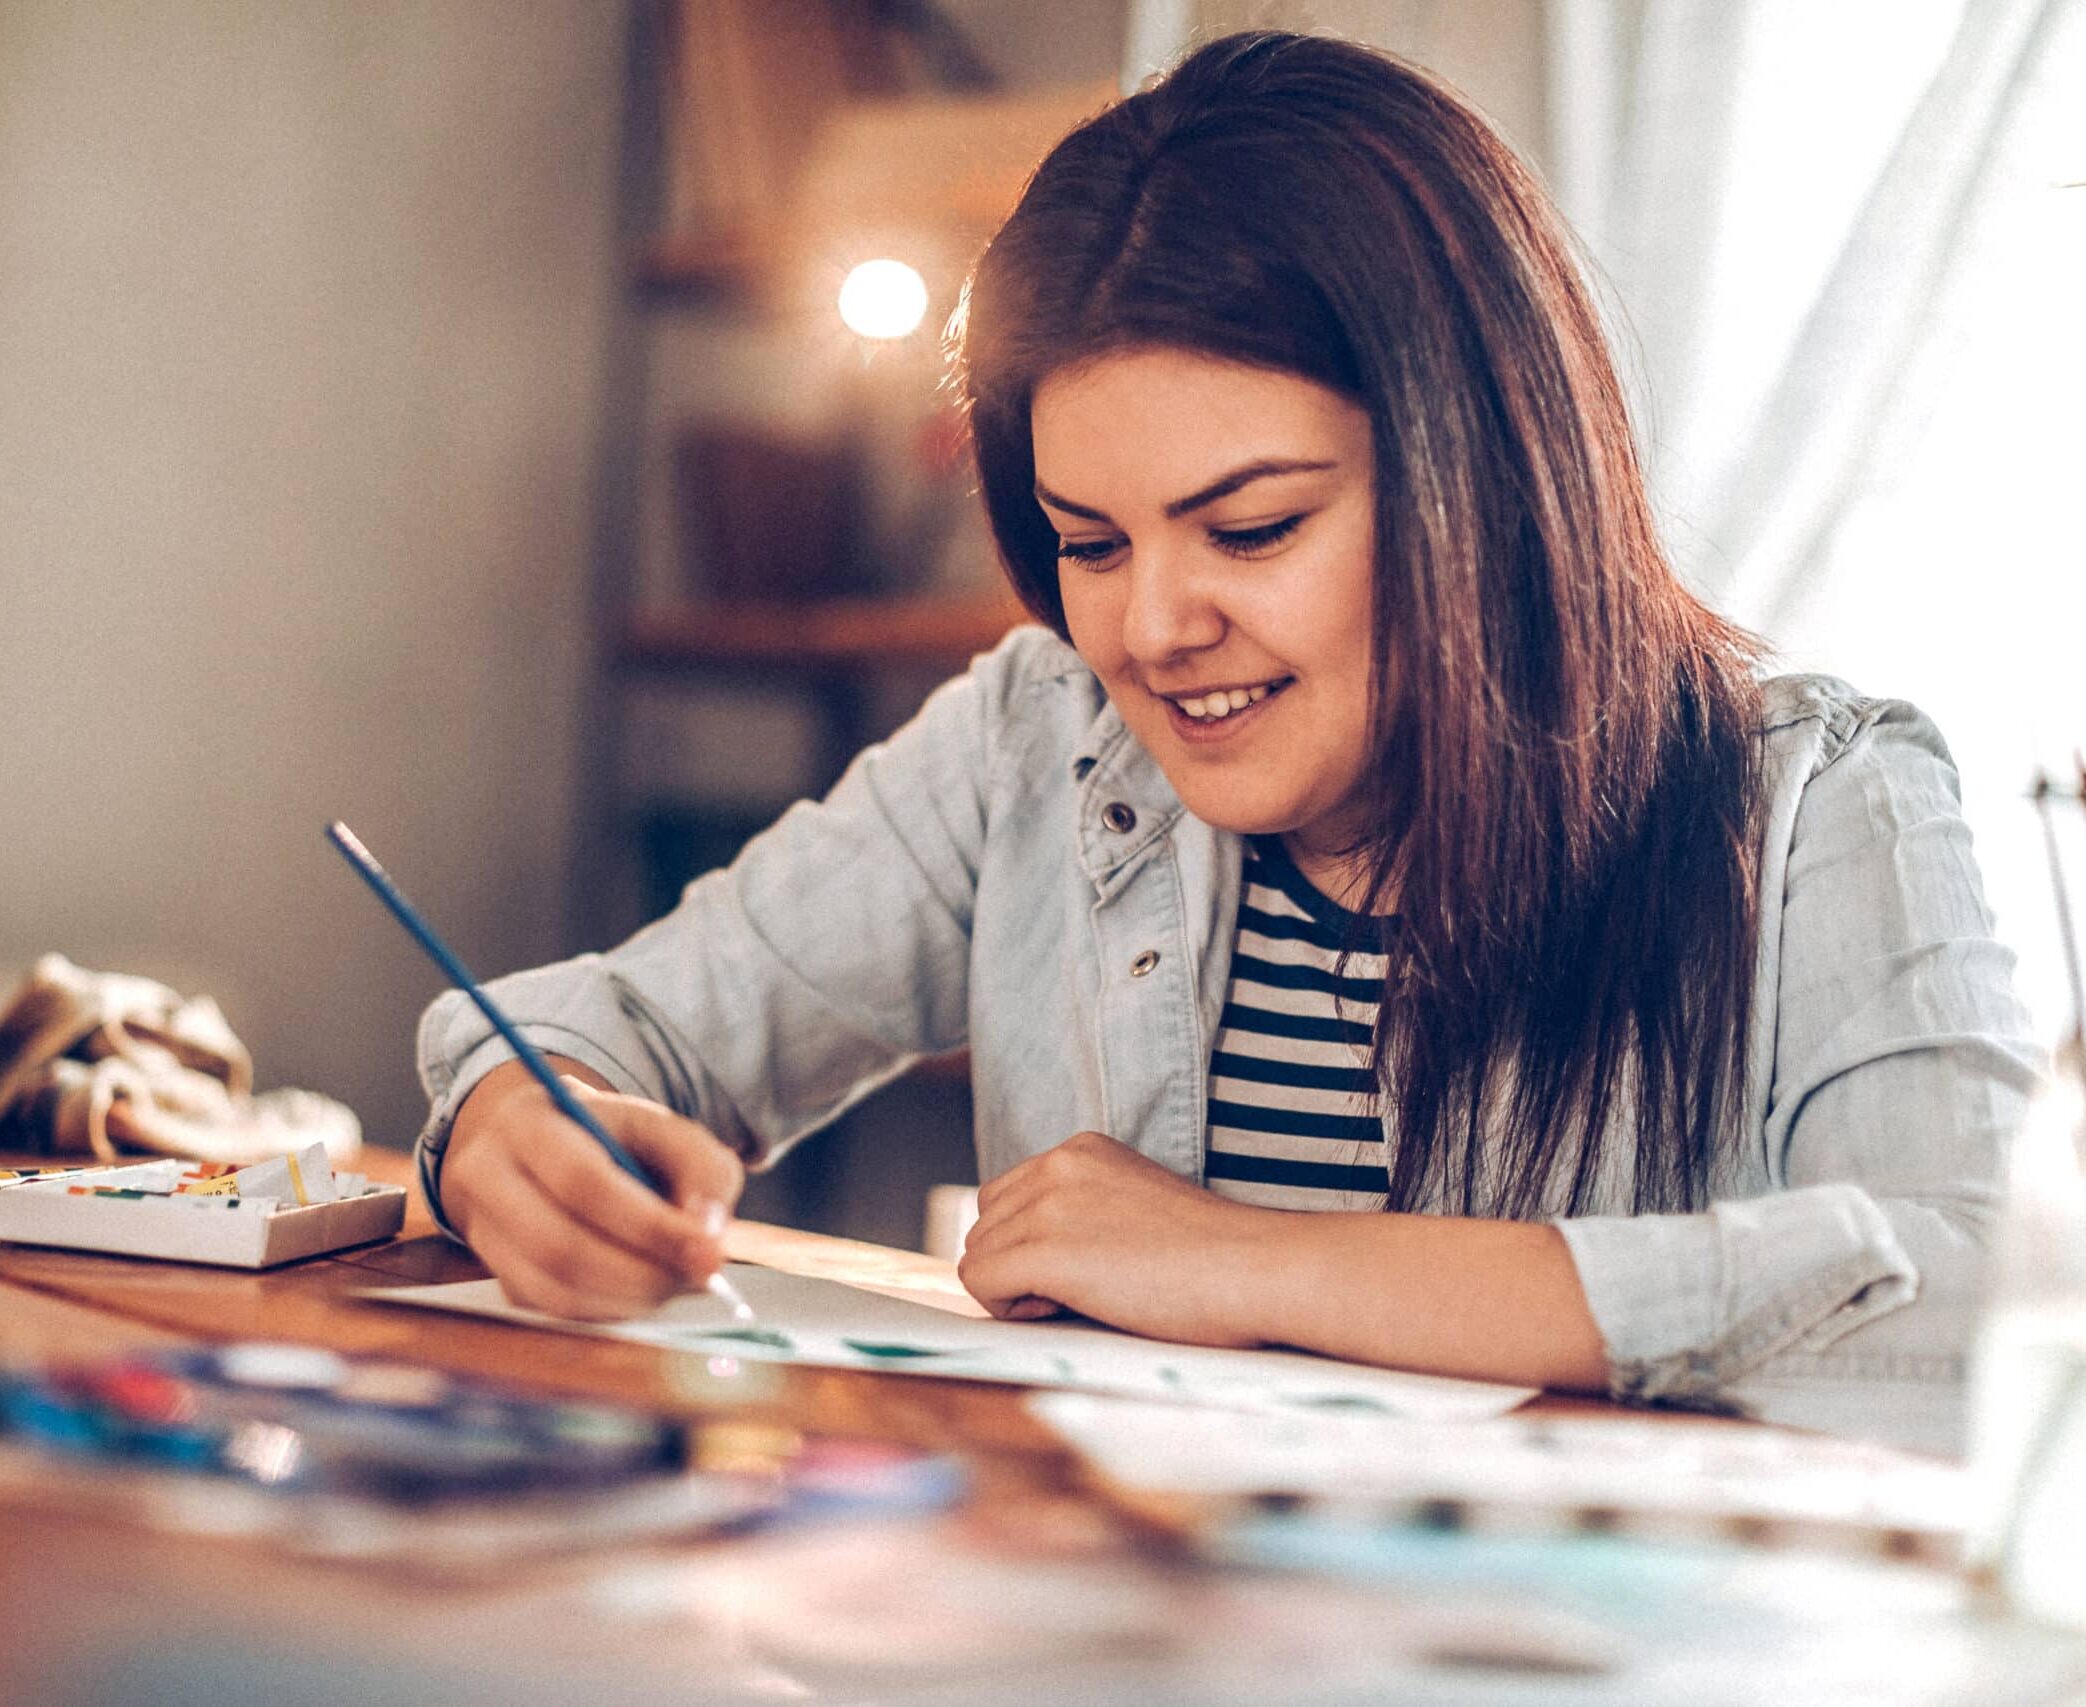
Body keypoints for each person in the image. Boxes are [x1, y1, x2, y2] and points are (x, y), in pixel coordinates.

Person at [415, 31, 2036, 1446]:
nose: (1147, 629)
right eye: (1089, 541)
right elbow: (605, 1033)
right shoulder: (1035, 742)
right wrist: (522, 1131)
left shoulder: (1820, 796)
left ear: (1484, 478)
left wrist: (1254, 1260)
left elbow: (1979, 1301)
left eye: (1250, 529)